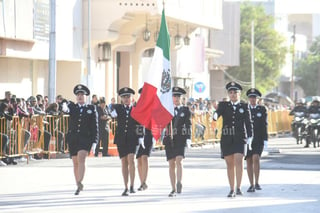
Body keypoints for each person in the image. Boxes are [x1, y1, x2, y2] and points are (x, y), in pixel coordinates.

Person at [213, 81, 253, 198]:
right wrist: (215, 115)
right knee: (230, 164)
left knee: (239, 160)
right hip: (227, 139)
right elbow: (218, 112)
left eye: (235, 92)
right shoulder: (224, 105)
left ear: (239, 94)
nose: (233, 94)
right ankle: (231, 189)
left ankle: (239, 187)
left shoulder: (244, 106)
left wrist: (250, 137)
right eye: (230, 92)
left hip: (240, 138)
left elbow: (248, 122)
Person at [62, 84, 99, 195]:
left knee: (81, 158)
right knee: (75, 162)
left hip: (85, 139)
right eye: (78, 94)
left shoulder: (91, 108)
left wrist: (95, 141)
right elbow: (66, 110)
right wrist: (63, 106)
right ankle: (77, 184)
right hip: (73, 138)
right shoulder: (73, 107)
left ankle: (80, 182)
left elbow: (95, 126)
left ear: (86, 96)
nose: (80, 96)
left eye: (82, 94)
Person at [110, 87, 140, 196]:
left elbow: (139, 123)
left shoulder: (136, 109)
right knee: (124, 162)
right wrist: (112, 112)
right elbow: (111, 112)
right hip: (121, 138)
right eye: (124, 97)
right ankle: (126, 186)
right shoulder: (118, 108)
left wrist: (141, 137)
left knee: (131, 160)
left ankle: (132, 185)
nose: (126, 99)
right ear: (121, 99)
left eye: (128, 97)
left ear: (132, 98)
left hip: (133, 138)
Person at [163, 87, 191, 197]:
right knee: (171, 164)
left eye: (178, 96)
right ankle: (173, 188)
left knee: (179, 160)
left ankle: (179, 182)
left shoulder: (185, 110)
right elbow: (161, 123)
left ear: (181, 98)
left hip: (181, 138)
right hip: (169, 139)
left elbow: (188, 124)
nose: (176, 98)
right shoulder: (167, 110)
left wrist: (188, 138)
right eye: (174, 96)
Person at [245, 88, 268, 192]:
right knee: (249, 160)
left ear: (257, 99)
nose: (252, 99)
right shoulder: (245, 109)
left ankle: (257, 182)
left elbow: (264, 125)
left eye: (254, 97)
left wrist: (265, 139)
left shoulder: (262, 109)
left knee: (256, 158)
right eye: (251, 97)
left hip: (258, 139)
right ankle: (251, 184)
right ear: (248, 98)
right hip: (247, 139)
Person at [136, 88, 154, 191]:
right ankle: (141, 181)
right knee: (138, 159)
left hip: (148, 134)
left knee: (144, 157)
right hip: (138, 134)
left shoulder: (152, 107)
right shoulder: (137, 107)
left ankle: (144, 182)